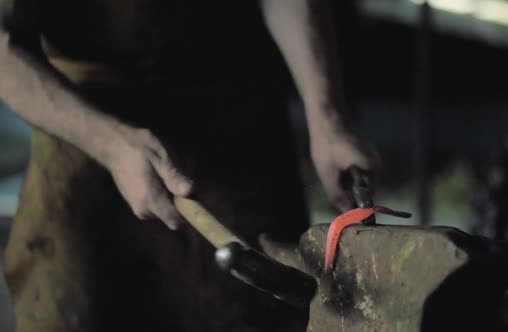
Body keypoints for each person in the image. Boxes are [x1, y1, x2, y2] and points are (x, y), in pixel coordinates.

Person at [0, 0, 378, 330]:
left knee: (278, 306)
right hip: (85, 128)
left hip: (236, 124)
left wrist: (326, 115)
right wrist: (112, 146)